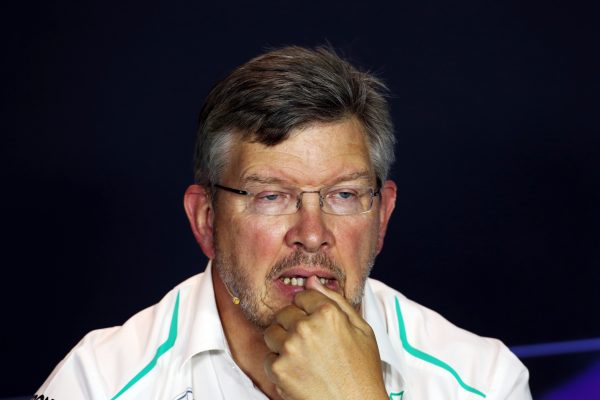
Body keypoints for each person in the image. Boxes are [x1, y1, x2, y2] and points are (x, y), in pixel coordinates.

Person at [35, 46, 532, 400]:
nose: (312, 233)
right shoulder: (99, 382)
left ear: (381, 216)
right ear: (206, 221)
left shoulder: (482, 381)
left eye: (343, 195)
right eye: (272, 196)